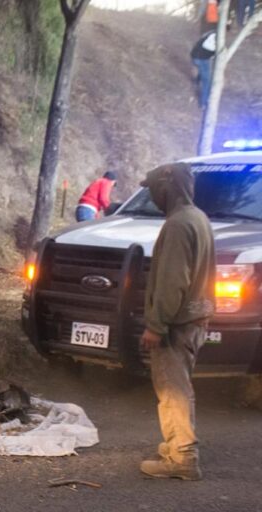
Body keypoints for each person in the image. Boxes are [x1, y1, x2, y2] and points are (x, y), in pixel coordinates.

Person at [138, 162, 215, 481]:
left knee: (173, 389)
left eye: (154, 189)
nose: (152, 196)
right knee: (177, 385)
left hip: (177, 323)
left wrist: (156, 325)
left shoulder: (178, 225)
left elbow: (173, 282)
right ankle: (176, 445)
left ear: (166, 187)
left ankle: (183, 457)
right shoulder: (198, 218)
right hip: (195, 318)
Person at [191, 30, 216, 109]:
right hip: (200, 59)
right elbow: (212, 51)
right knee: (206, 81)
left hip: (195, 56)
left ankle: (197, 80)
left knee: (203, 70)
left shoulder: (211, 33)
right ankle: (203, 102)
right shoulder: (213, 39)